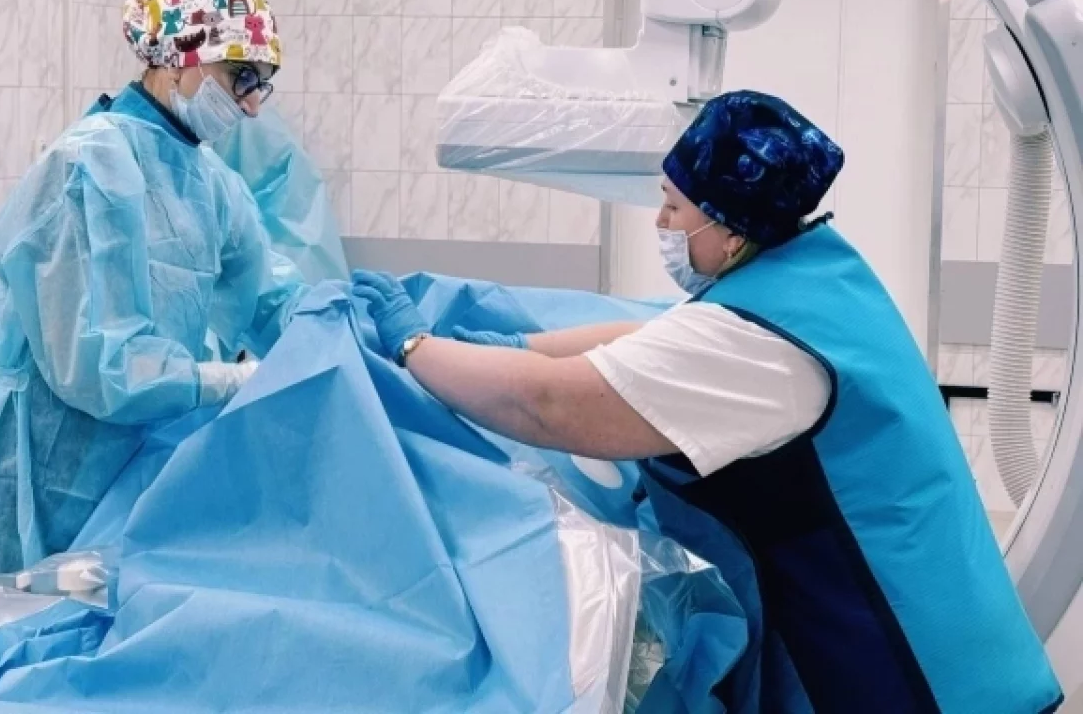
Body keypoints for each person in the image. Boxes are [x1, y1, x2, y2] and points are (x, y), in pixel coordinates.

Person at [353, 91, 1062, 712]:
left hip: (911, 674)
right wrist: (516, 346)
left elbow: (550, 408)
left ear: (729, 227)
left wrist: (417, 349)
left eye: (673, 207)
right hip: (960, 637)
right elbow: (657, 338)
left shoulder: (757, 345)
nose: (660, 221)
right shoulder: (812, 272)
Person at [0, 0, 306, 605]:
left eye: (261, 85)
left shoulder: (210, 182)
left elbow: (267, 293)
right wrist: (230, 380)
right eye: (240, 78)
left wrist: (349, 329)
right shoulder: (88, 166)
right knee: (0, 628)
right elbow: (101, 367)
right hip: (38, 464)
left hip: (128, 458)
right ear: (178, 59)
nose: (251, 106)